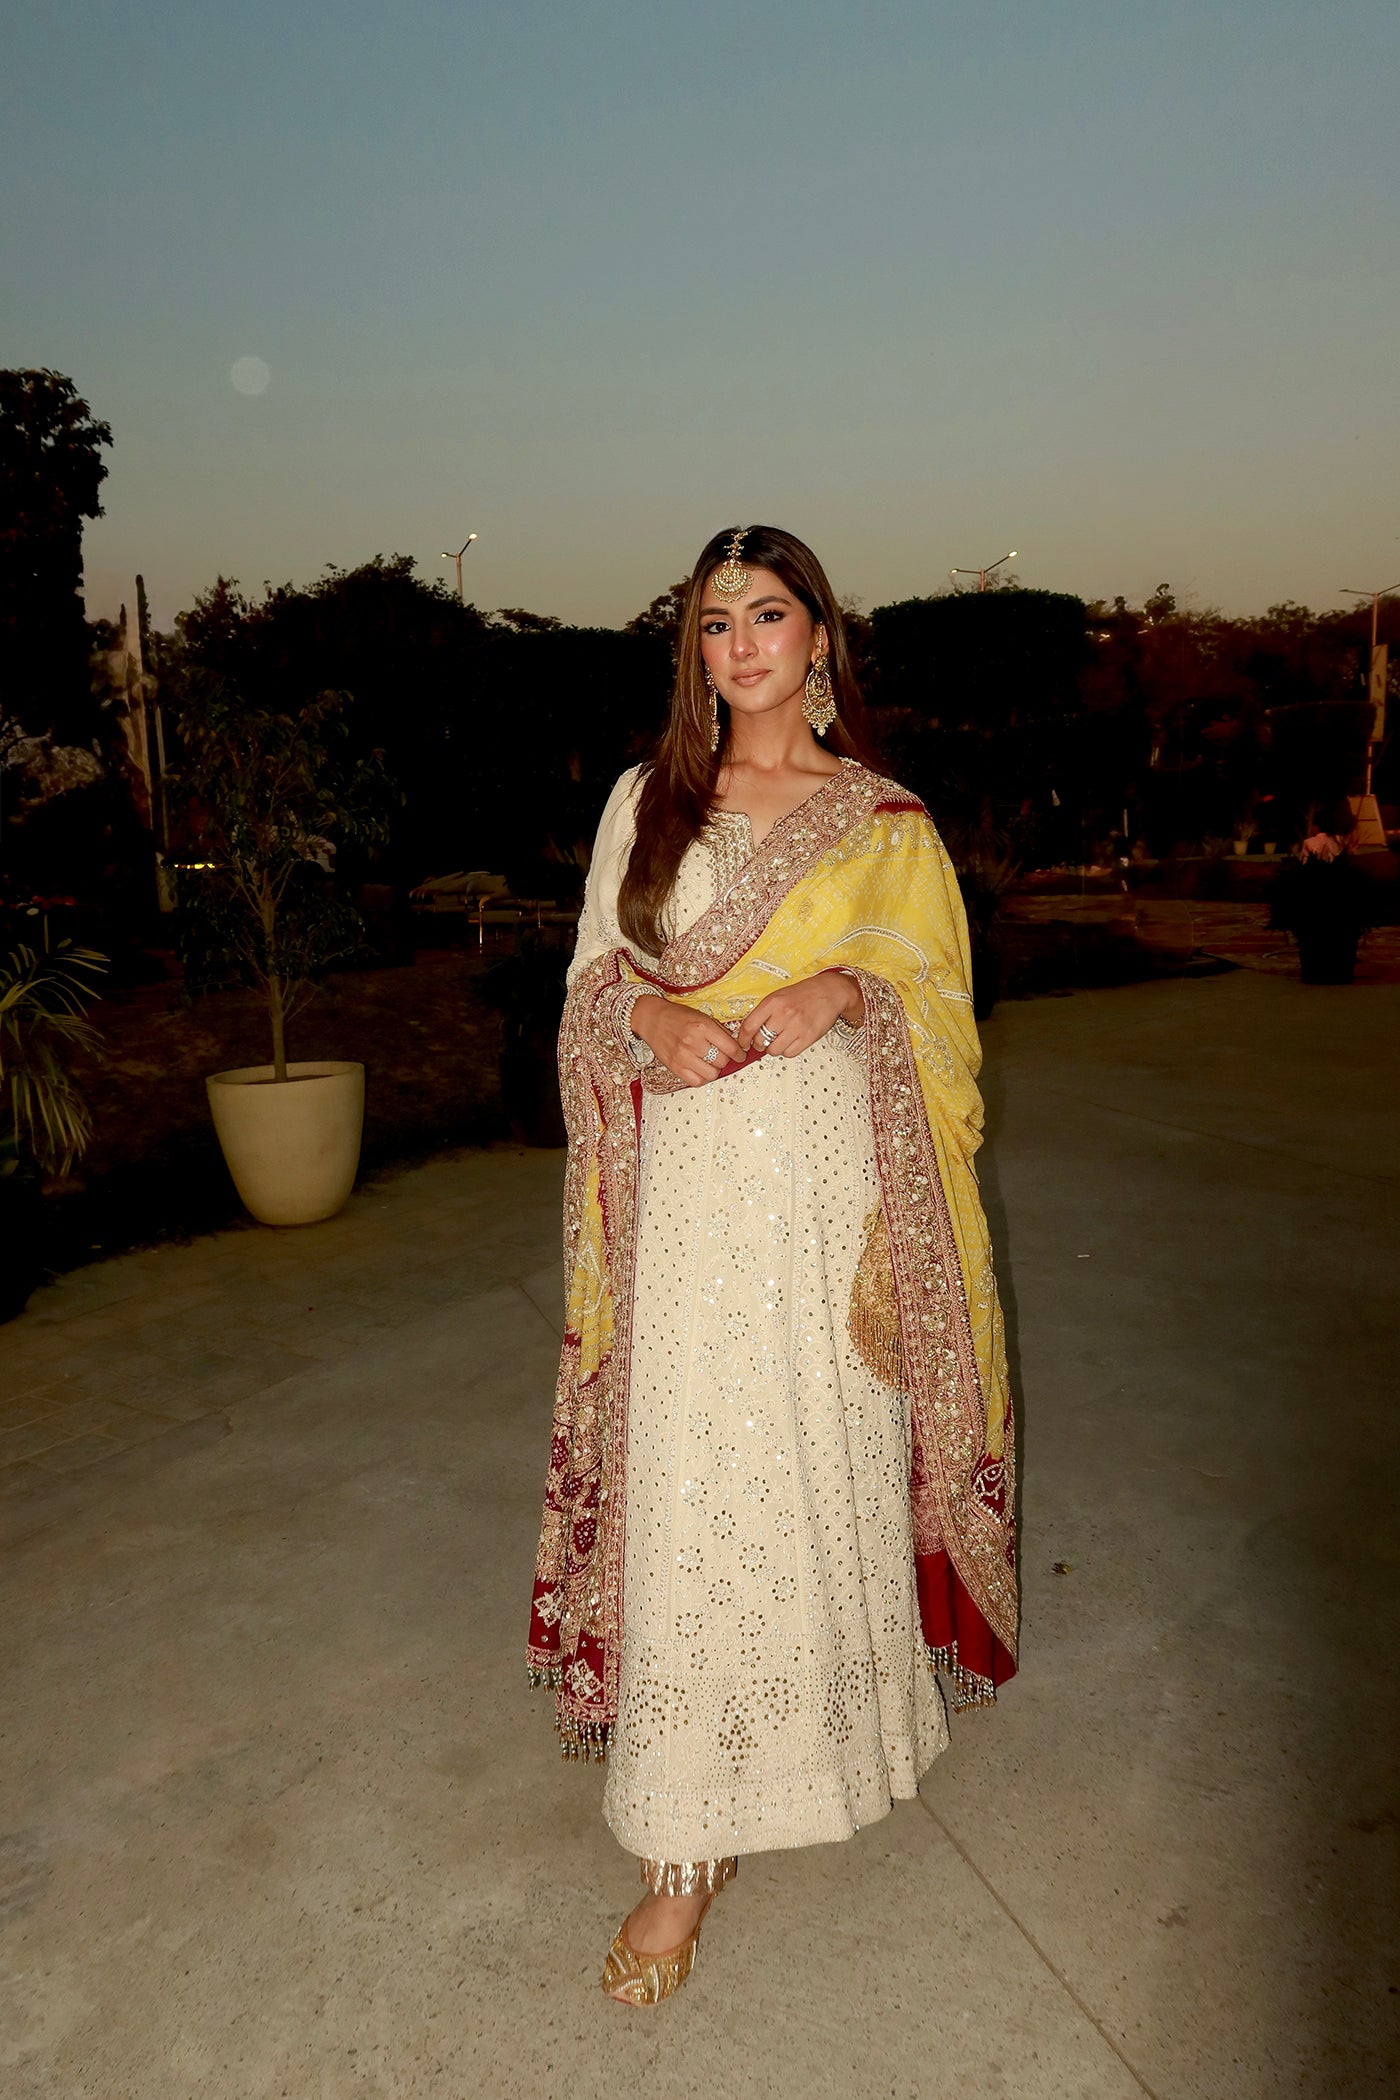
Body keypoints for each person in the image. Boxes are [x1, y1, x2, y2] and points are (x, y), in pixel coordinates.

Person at [527, 525, 1019, 2007]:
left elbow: (942, 1014)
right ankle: (678, 1848)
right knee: (695, 1475)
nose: (740, 645)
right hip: (684, 1190)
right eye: (713, 624)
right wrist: (641, 1022)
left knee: (813, 1460)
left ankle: (811, 1747)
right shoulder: (649, 799)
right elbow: (587, 985)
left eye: (767, 614)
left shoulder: (884, 822)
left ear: (820, 636)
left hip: (826, 1190)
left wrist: (847, 987)